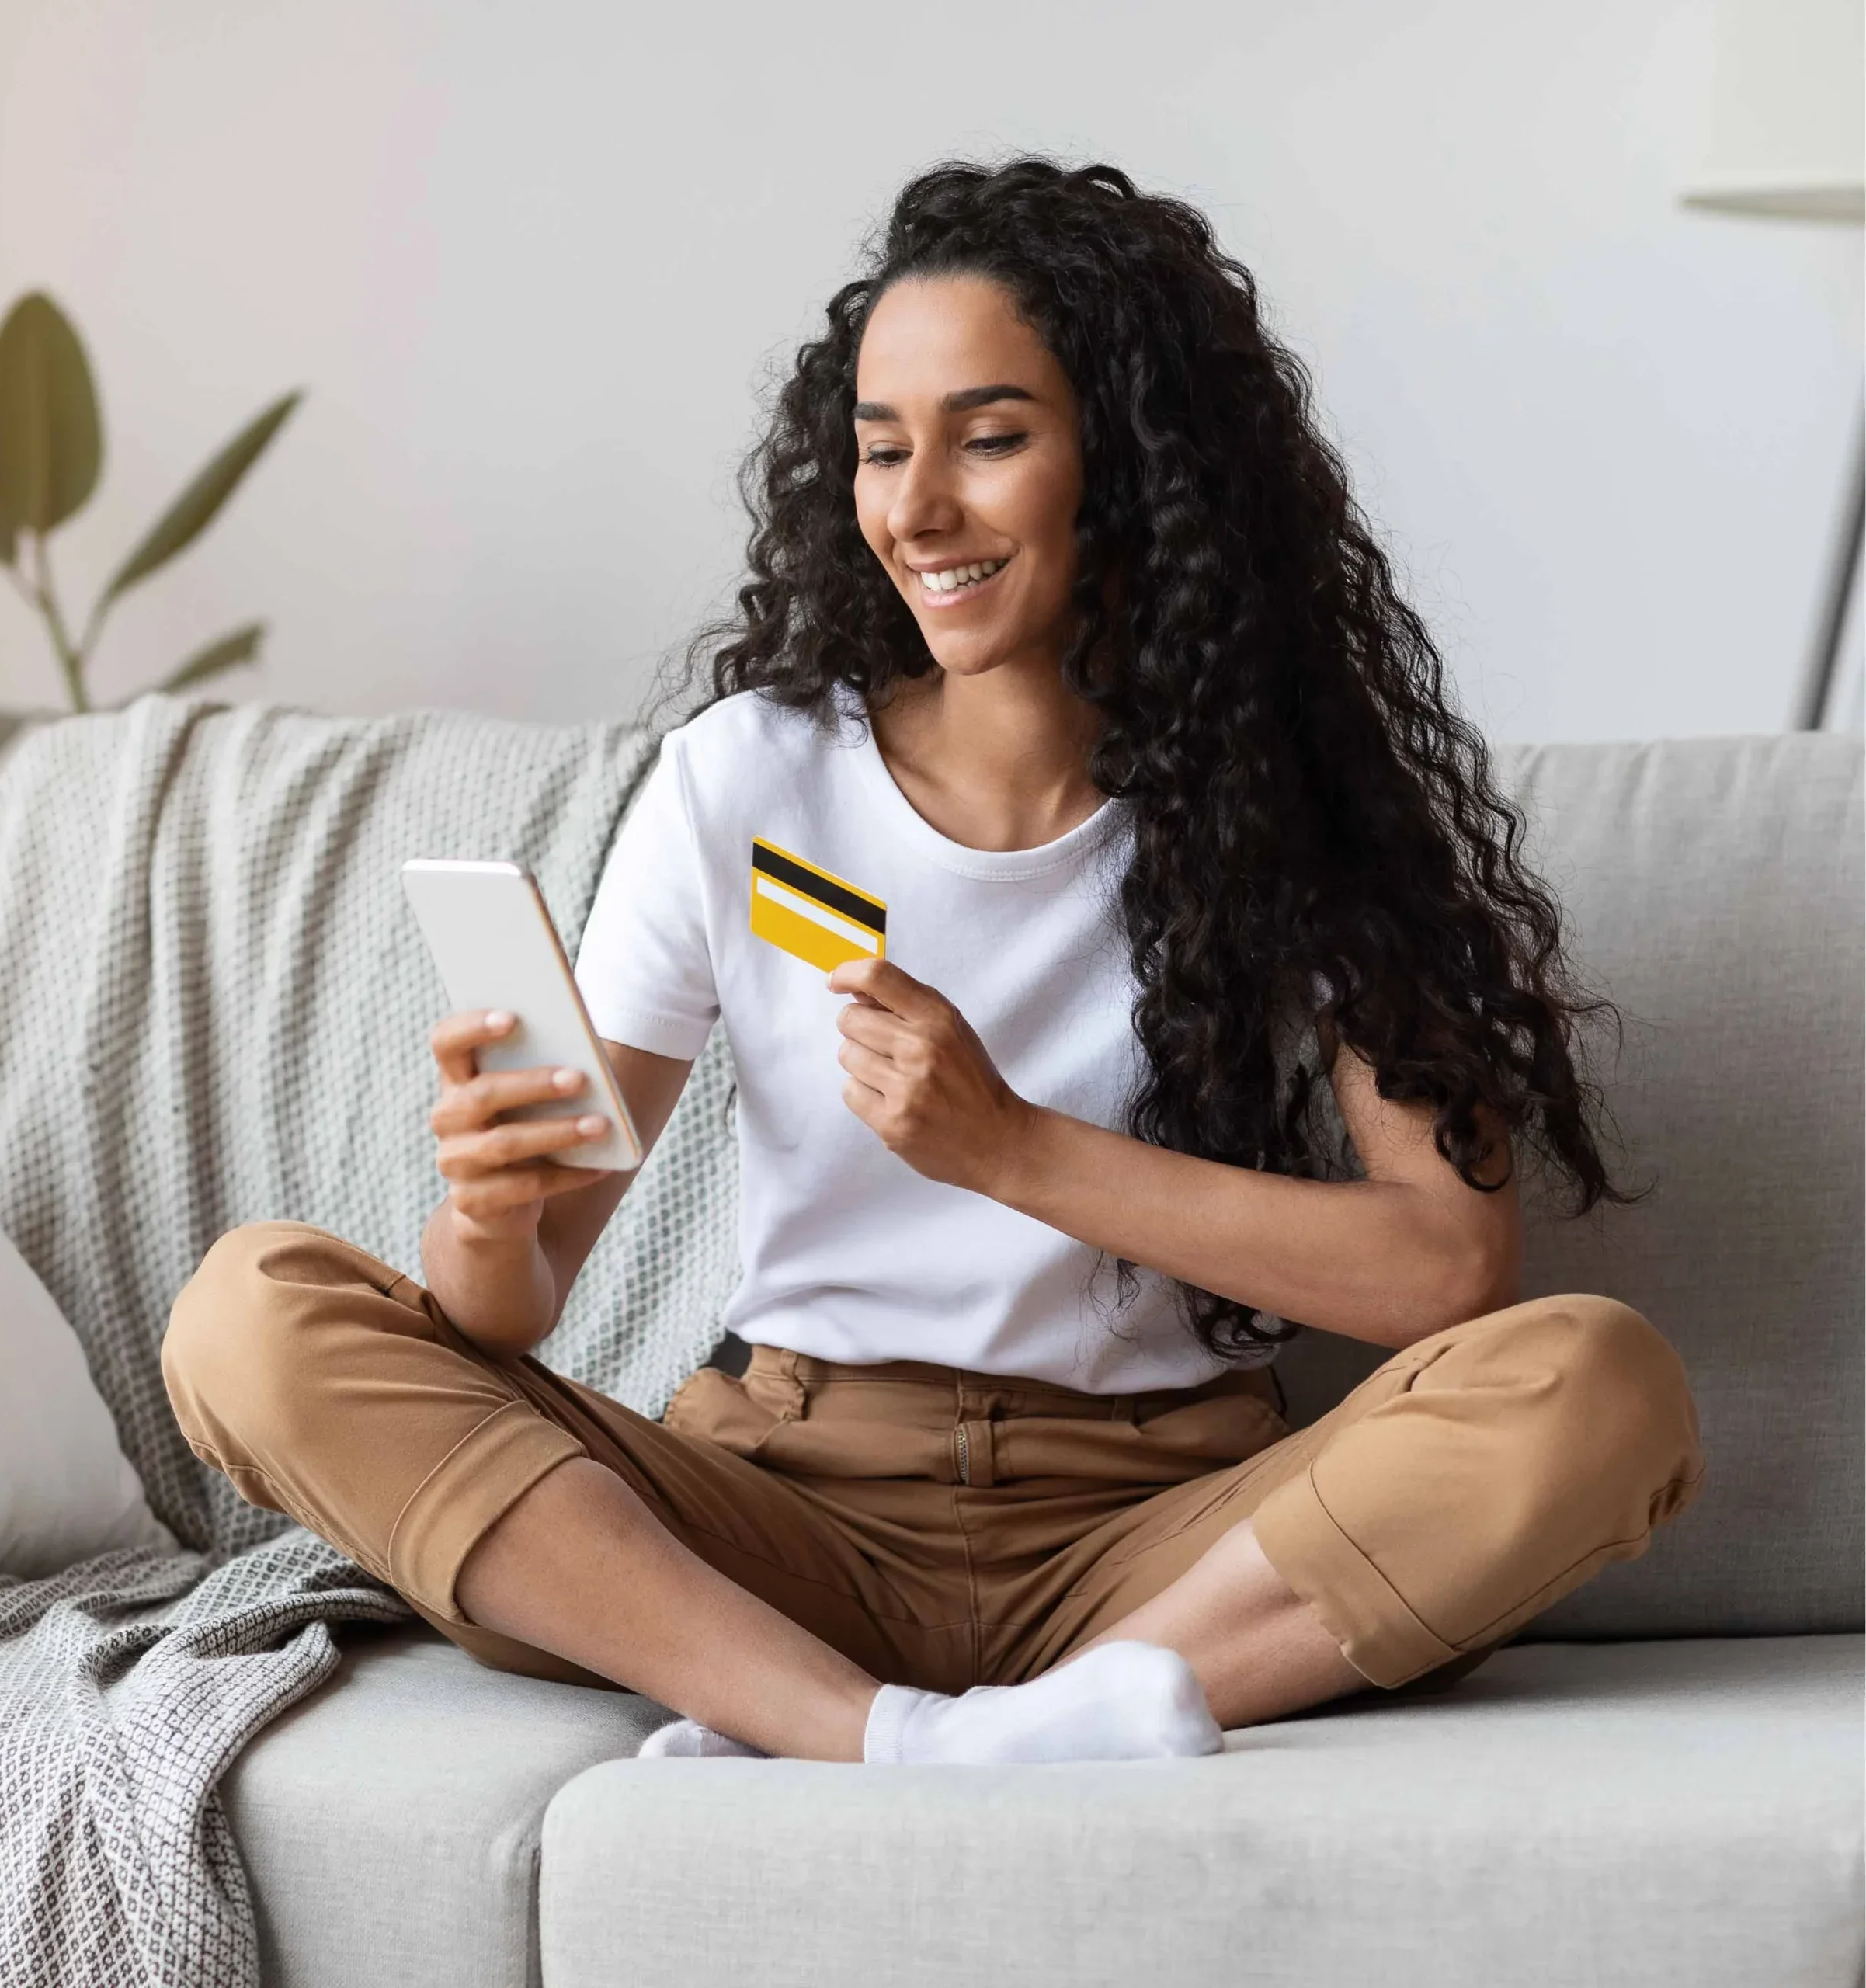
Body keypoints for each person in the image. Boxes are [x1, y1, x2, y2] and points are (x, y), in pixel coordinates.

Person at [163, 158, 1704, 1767]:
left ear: (1133, 459)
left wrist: (1014, 1151)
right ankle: (868, 1731)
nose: (915, 509)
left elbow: (1447, 1270)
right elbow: (516, 1300)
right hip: (779, 1522)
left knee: (1592, 1381)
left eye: (988, 438)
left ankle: (1028, 1718)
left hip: (1155, 1532)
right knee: (249, 1313)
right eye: (881, 449)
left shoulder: (1289, 803)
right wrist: (487, 1217)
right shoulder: (746, 781)